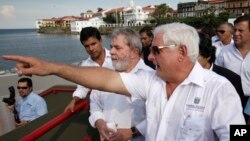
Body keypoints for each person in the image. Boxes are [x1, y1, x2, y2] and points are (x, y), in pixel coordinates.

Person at [3, 22, 245, 140]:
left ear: (181, 52)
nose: (149, 56)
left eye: (156, 50)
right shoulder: (153, 82)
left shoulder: (219, 90)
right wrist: (51, 67)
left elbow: (239, 133)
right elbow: (105, 79)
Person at [89, 28, 152, 141]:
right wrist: (99, 121)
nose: (111, 51)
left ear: (133, 52)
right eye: (111, 46)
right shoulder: (105, 72)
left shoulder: (151, 77)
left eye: (117, 48)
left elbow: (159, 116)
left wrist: (131, 132)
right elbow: (94, 101)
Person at [198, 32, 248, 121]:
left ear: (208, 55)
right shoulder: (178, 77)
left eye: (194, 56)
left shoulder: (231, 79)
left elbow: (237, 115)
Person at [64, 27, 112, 113]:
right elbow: (82, 88)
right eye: (87, 46)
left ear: (101, 41)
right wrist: (74, 100)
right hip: (100, 111)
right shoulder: (85, 66)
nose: (91, 49)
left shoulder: (115, 58)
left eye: (93, 44)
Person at [216, 15, 250, 124]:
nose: (236, 34)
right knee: (234, 134)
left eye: (241, 30)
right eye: (235, 30)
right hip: (229, 102)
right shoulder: (224, 52)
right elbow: (216, 77)